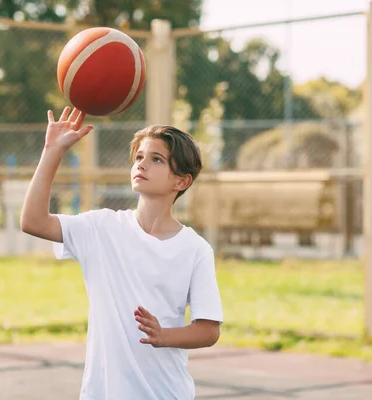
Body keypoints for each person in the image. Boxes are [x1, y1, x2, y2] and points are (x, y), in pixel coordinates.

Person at [20, 106, 223, 399]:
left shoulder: (195, 250)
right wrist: (52, 151)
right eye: (139, 157)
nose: (141, 164)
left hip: (164, 393)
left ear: (181, 181)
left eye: (156, 159)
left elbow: (208, 330)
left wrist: (164, 336)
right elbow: (33, 221)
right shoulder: (101, 227)